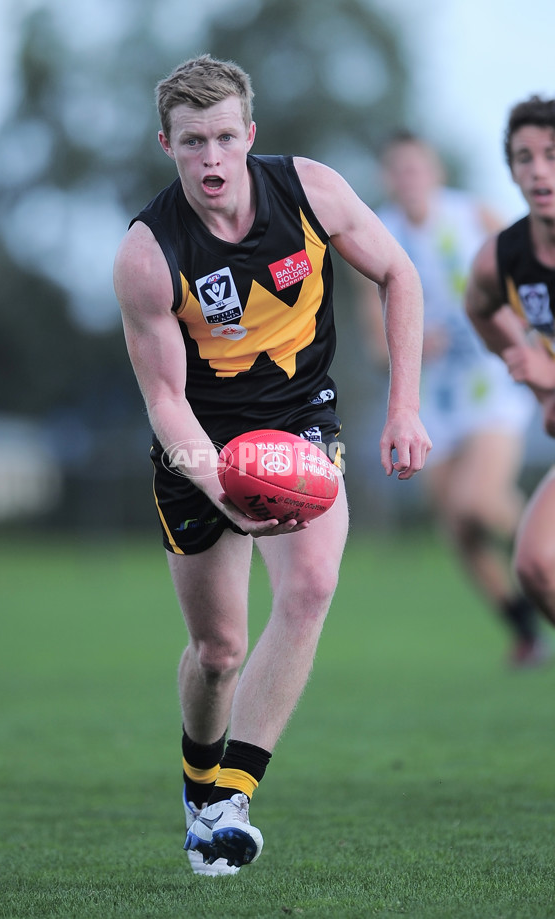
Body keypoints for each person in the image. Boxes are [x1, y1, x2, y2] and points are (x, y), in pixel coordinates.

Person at [113, 54, 431, 876]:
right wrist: (222, 484)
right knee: (218, 649)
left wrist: (403, 406)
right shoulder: (148, 254)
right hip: (201, 444)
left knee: (312, 584)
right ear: (167, 145)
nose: (211, 158)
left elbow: (400, 273)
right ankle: (197, 779)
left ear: (249, 135)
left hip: (300, 419)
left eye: (224, 137)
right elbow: (163, 400)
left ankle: (229, 802)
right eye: (192, 142)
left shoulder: (310, 191)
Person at [361, 131, 544, 668]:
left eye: (417, 168)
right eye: (398, 171)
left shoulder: (473, 215)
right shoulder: (376, 235)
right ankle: (525, 632)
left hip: (493, 382)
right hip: (429, 401)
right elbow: (376, 344)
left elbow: (529, 270)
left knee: (479, 501)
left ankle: (545, 557)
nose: (408, 179)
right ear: (387, 179)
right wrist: (408, 346)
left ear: (435, 172)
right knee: (459, 529)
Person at [466, 95, 555, 630]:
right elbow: (478, 308)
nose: (540, 169)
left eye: (552, 153)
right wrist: (538, 383)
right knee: (536, 565)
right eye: (525, 157)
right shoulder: (503, 257)